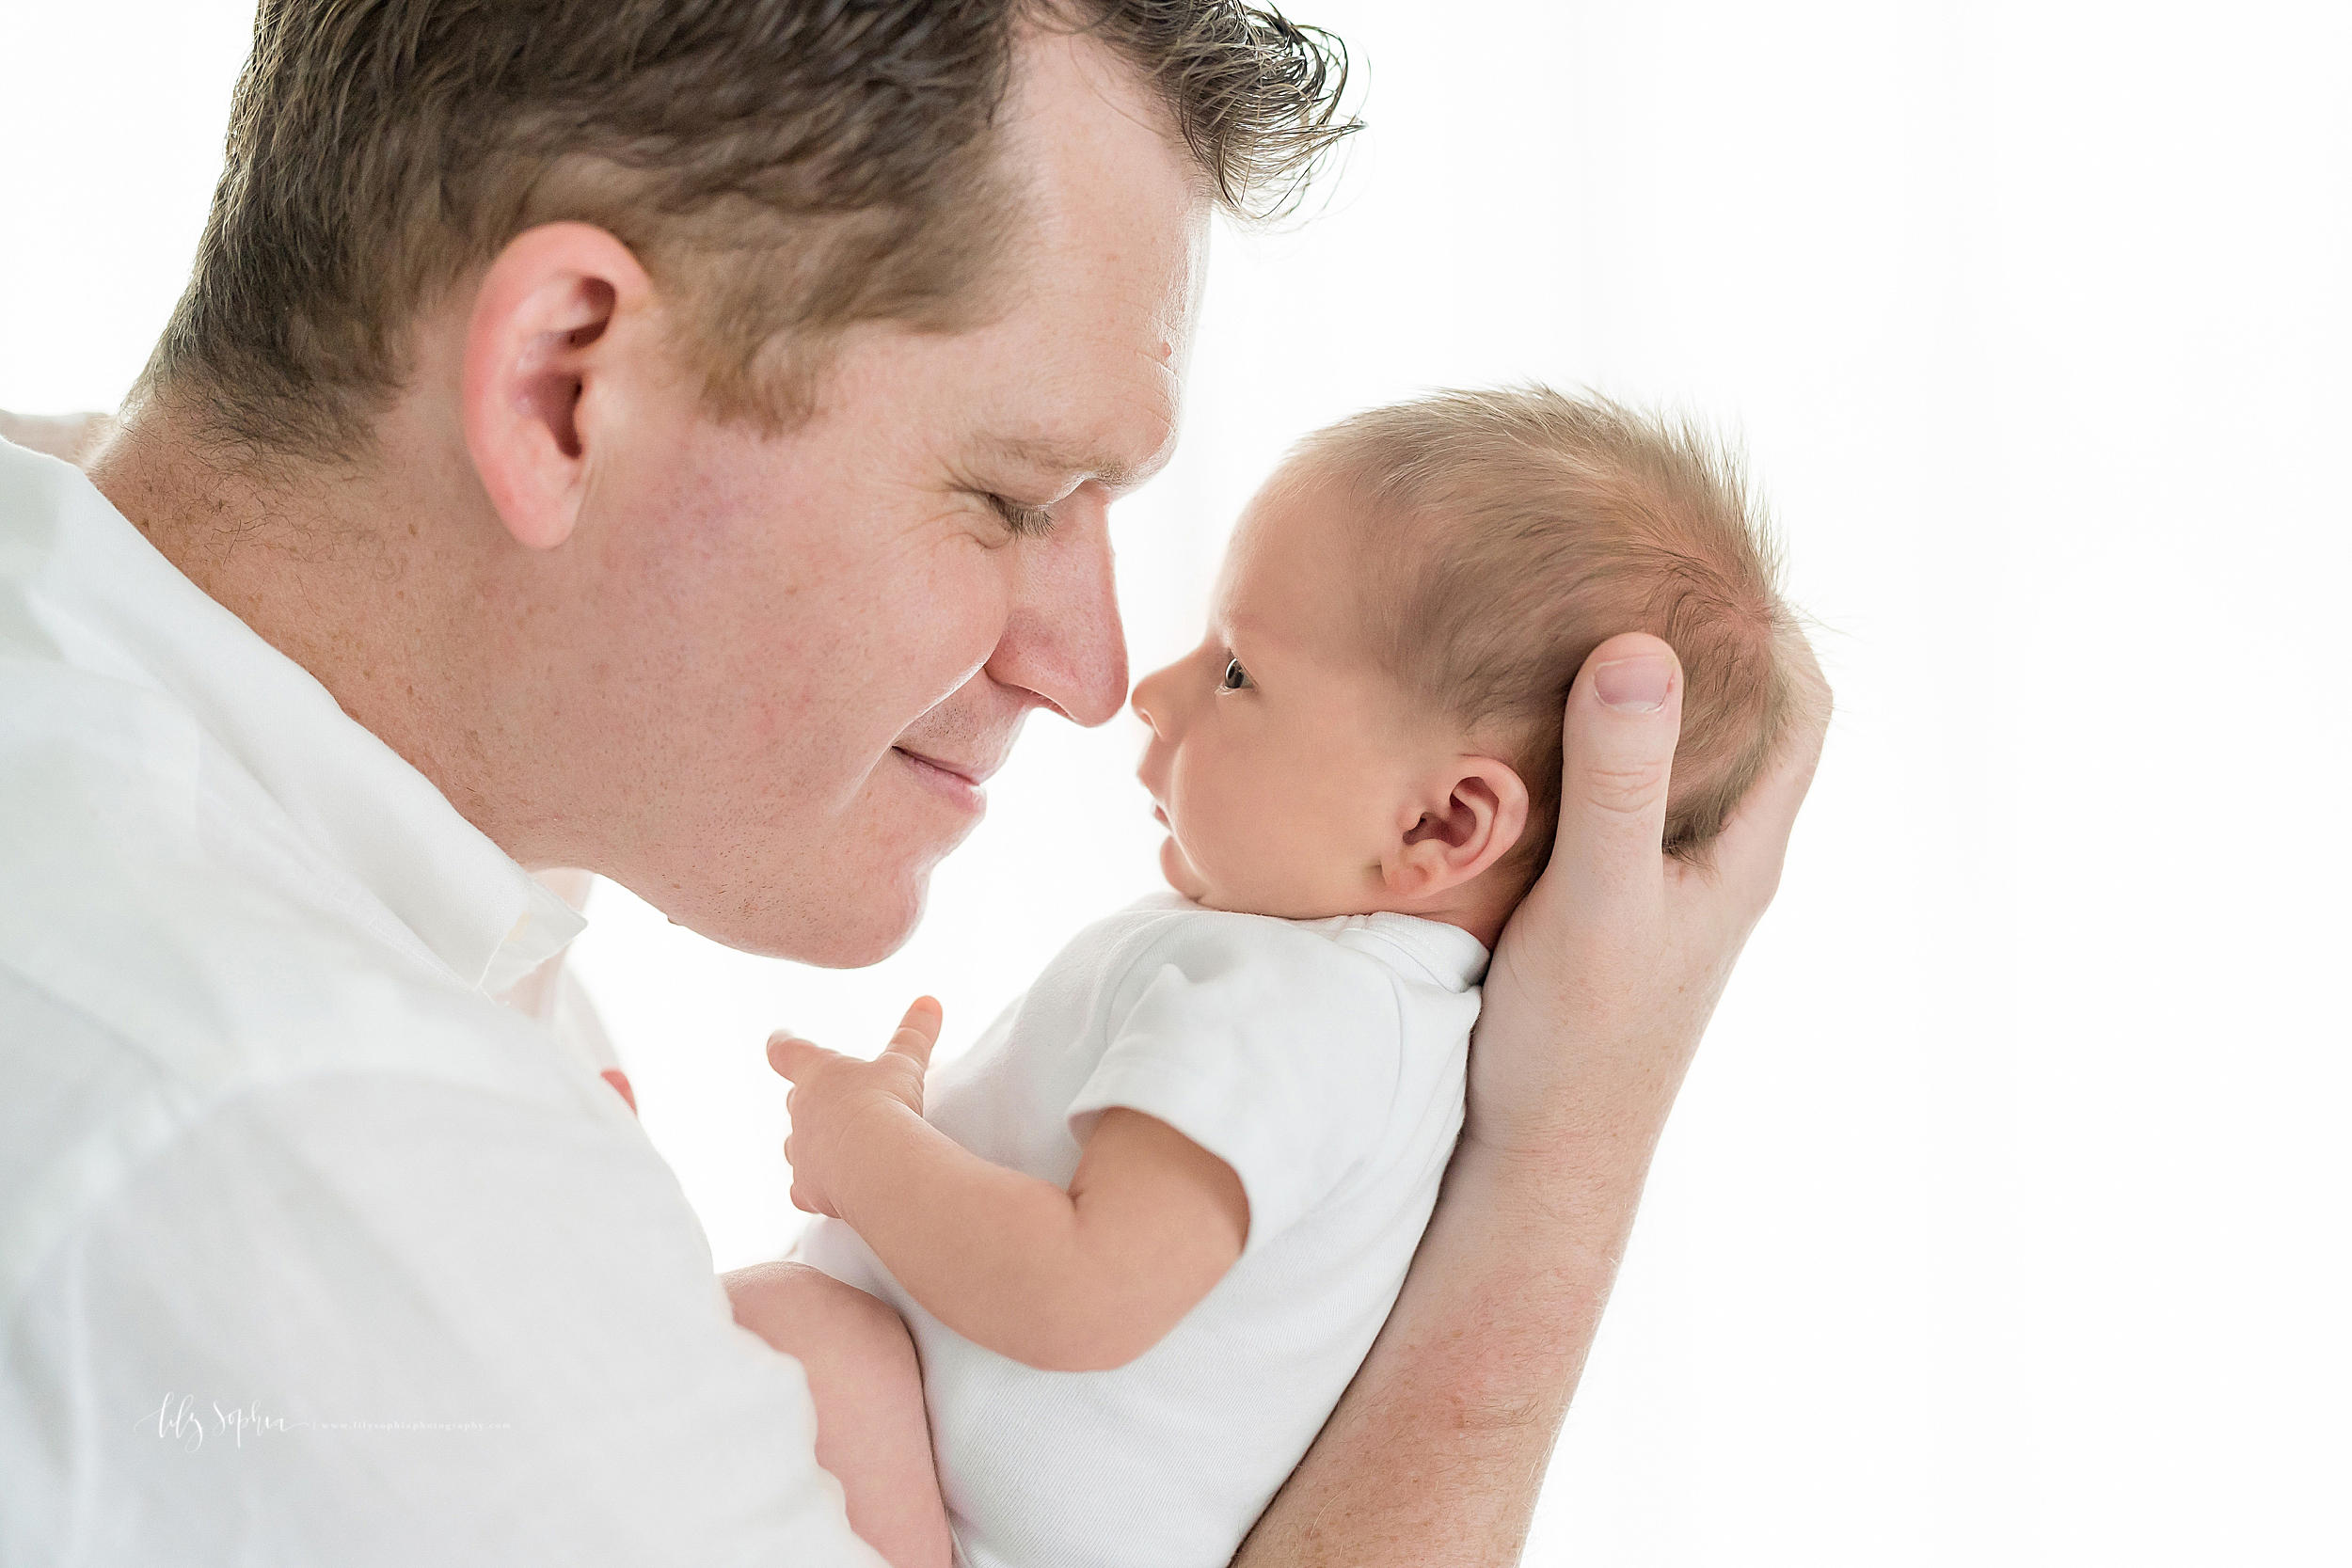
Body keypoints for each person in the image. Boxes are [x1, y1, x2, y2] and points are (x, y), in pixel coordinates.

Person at [0, 3, 1826, 1565]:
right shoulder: (333, 1165)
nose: (1093, 668)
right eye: (1011, 497)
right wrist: (1565, 1145)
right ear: (566, 383)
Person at [735, 387, 1812, 1568]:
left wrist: (860, 1140)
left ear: (1444, 821)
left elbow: (1081, 1291)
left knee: (794, 1334)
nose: (1152, 690)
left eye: (1239, 670)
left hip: (958, 1523)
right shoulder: (1406, 1021)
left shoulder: (1289, 999)